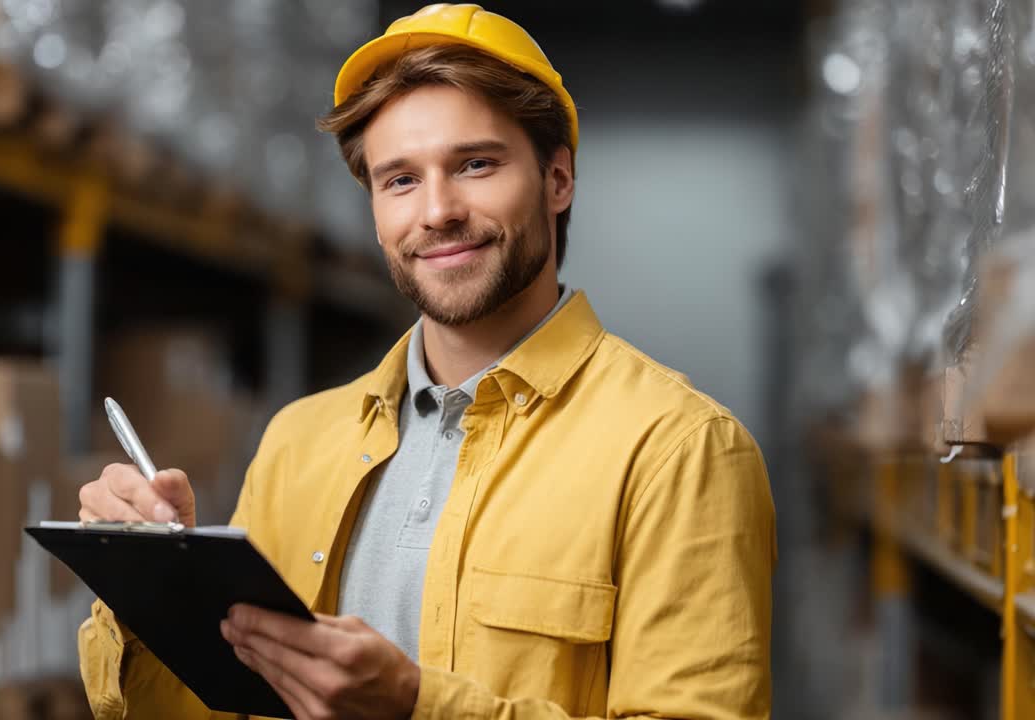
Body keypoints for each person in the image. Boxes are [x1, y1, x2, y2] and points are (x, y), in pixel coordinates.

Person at [76, 4, 776, 719]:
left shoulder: (679, 450)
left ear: (558, 178)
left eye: (476, 164)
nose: (437, 211)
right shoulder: (300, 441)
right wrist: (152, 590)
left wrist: (416, 705)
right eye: (400, 180)